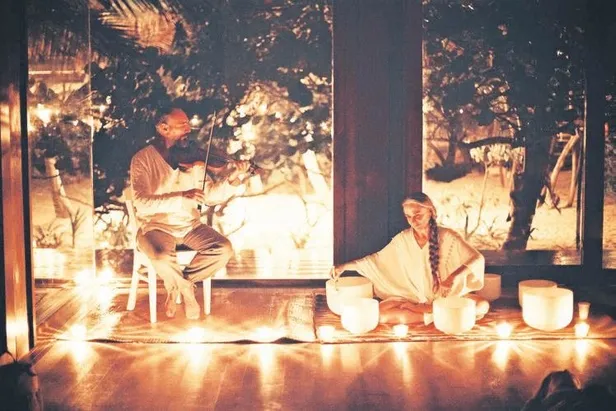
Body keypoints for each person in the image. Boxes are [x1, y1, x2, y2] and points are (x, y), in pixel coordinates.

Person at [130, 107, 251, 319]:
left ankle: (178, 286)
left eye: (188, 124)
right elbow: (141, 203)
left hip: (189, 226)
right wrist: (181, 196)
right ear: (163, 128)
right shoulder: (143, 159)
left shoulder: (194, 159)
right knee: (160, 255)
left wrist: (233, 178)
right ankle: (186, 290)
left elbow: (210, 196)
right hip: (156, 227)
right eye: (182, 125)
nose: (188, 129)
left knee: (223, 249)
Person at [331, 192, 489, 324]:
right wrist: (343, 267)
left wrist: (454, 277)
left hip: (447, 298)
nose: (413, 221)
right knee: (380, 314)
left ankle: (430, 312)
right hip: (413, 298)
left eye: (418, 215)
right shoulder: (402, 239)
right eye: (408, 217)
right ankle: (439, 315)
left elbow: (477, 258)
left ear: (431, 212)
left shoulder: (448, 236)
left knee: (482, 305)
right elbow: (375, 260)